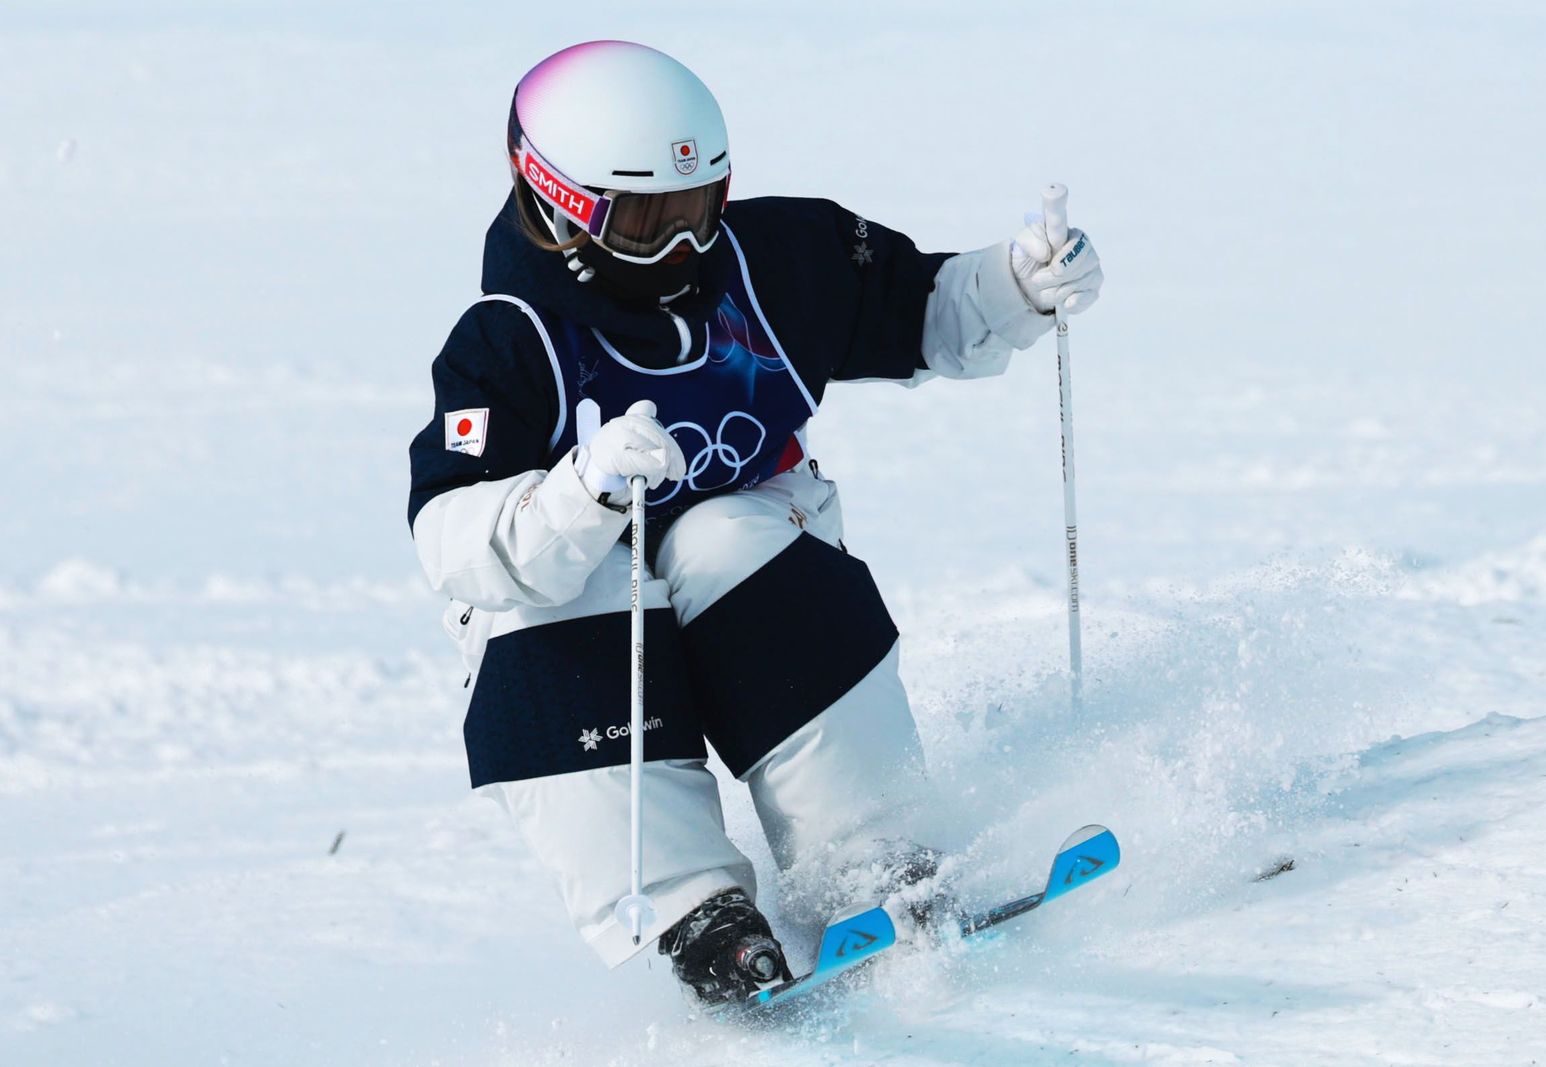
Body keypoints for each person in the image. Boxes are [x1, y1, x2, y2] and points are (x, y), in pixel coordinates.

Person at [407, 39, 1103, 1005]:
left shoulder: (772, 260)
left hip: (750, 574)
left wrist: (1017, 285)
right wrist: (582, 492)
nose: (684, 248)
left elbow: (919, 309)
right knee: (571, 600)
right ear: (563, 204)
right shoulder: (508, 343)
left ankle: (872, 862)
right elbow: (451, 545)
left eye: (698, 212)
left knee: (731, 537)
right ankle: (699, 912)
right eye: (648, 223)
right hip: (582, 618)